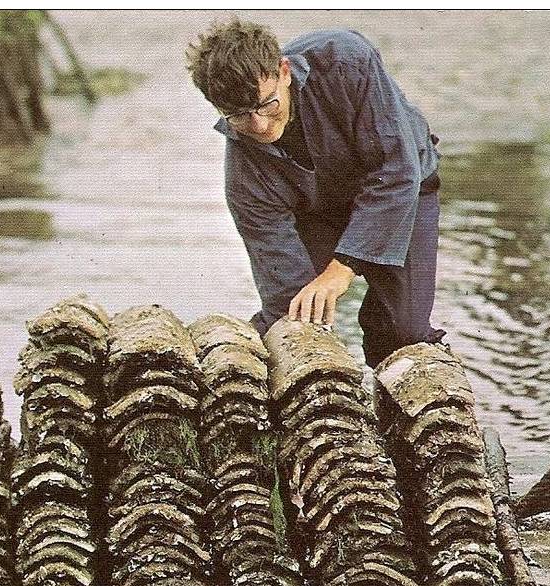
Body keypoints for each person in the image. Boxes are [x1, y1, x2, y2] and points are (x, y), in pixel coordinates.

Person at [186, 18, 445, 367]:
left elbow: (396, 172)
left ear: (284, 71)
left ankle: (387, 341)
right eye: (239, 116)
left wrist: (342, 268)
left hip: (402, 188)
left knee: (405, 331)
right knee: (294, 318)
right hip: (316, 210)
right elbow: (283, 287)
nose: (260, 126)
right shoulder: (244, 182)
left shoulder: (346, 61)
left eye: (267, 105)